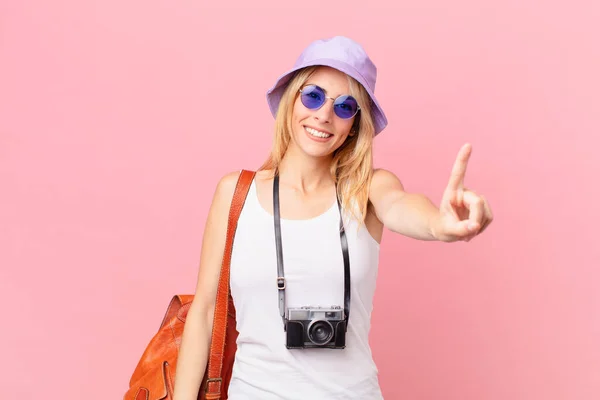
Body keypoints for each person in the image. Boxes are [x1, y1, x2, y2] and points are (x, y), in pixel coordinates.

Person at [172, 36, 493, 399]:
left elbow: (401, 205)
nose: (324, 114)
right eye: (313, 96)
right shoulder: (235, 193)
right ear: (291, 99)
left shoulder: (368, 188)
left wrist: (439, 224)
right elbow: (205, 311)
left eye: (344, 106)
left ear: (354, 124)